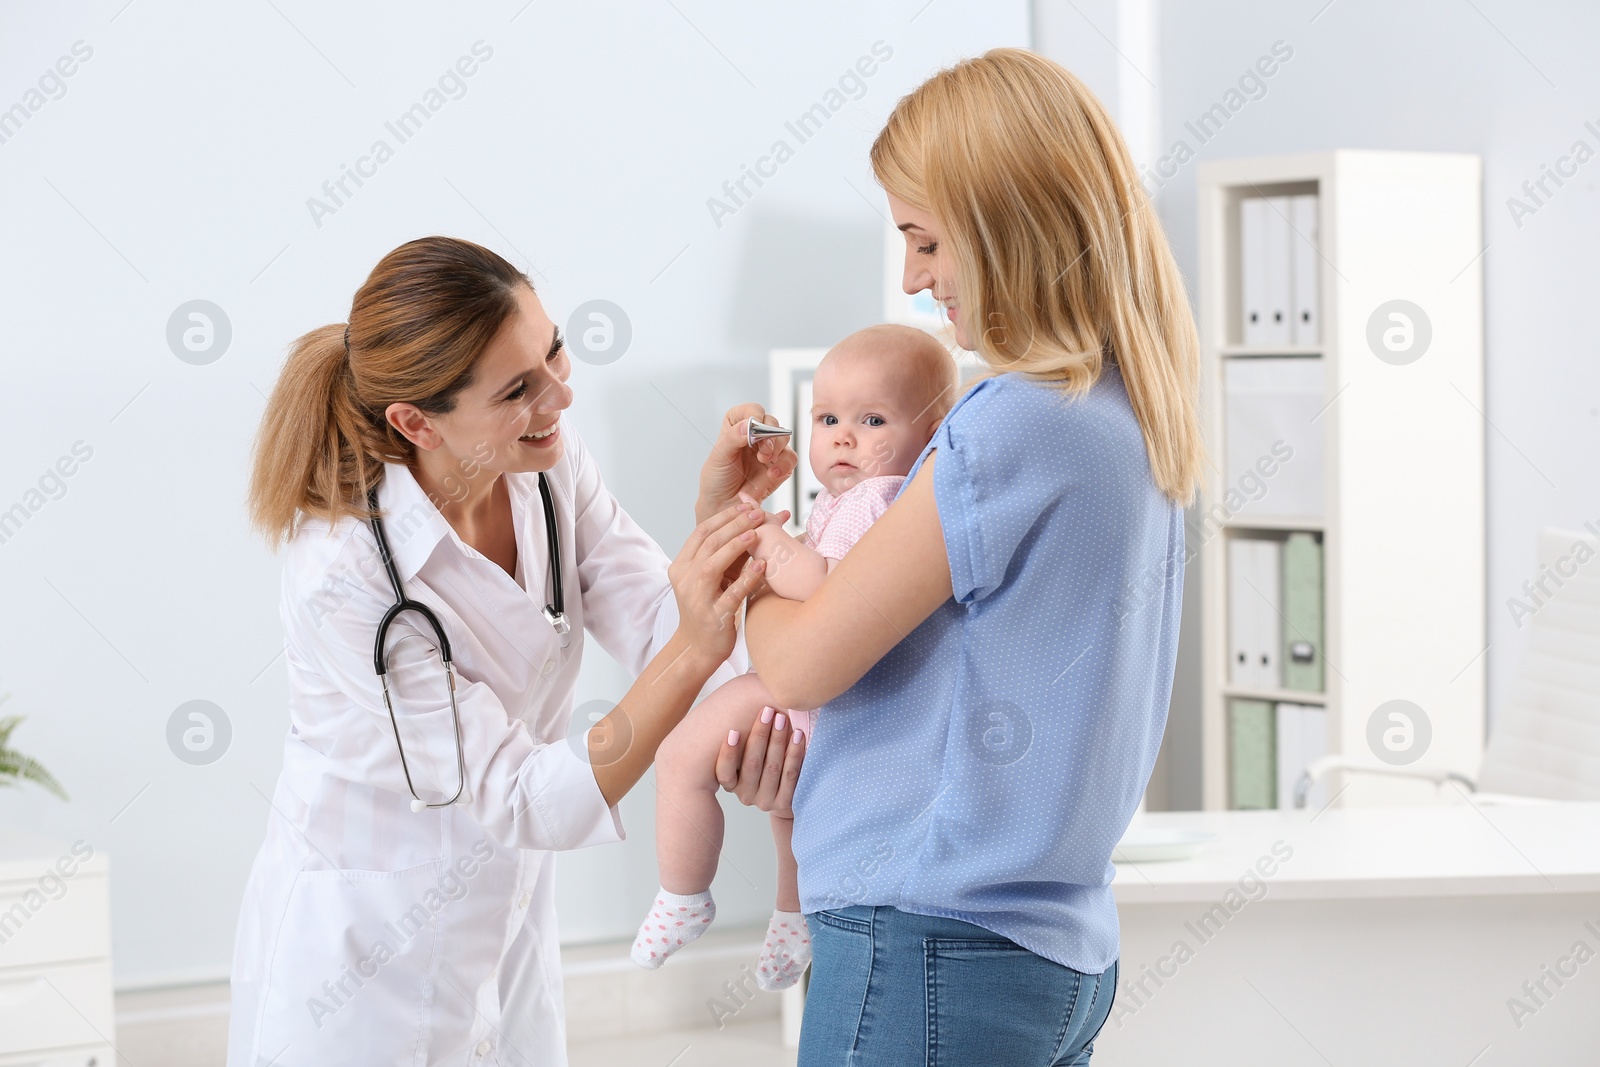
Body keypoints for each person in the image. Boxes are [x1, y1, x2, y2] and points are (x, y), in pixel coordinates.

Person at [228, 236, 799, 1067]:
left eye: (555, 350)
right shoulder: (348, 575)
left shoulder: (544, 467)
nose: (561, 395)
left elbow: (655, 619)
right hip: (360, 967)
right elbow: (531, 795)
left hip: (508, 922)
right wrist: (692, 659)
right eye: (518, 389)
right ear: (416, 421)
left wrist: (723, 523)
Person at [739, 48, 1204, 1066]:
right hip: (1053, 953)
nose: (910, 278)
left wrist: (747, 569)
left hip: (927, 942)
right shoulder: (1127, 413)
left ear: (1005, 227)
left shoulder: (1009, 423)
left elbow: (801, 661)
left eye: (924, 239)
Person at [630, 324, 959, 991]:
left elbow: (828, 588)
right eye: (828, 417)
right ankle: (792, 918)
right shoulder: (850, 500)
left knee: (677, 758)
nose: (843, 436)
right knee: (791, 817)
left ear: (933, 432)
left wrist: (765, 540)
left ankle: (684, 893)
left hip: (809, 688)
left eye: (872, 419)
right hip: (835, 703)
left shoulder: (885, 497)